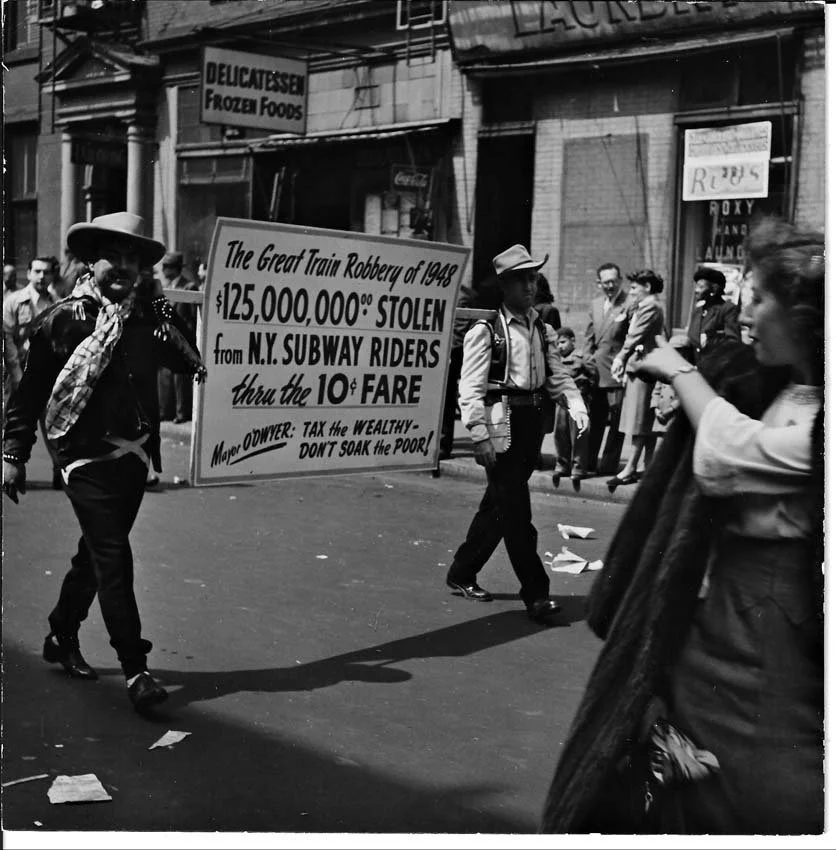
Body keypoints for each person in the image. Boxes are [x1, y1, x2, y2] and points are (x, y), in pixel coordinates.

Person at [541, 216, 824, 834]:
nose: (745, 308)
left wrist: (680, 372)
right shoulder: (772, 383)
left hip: (766, 638)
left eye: (759, 295)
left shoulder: (815, 419)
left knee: (752, 786)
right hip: (719, 621)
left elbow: (728, 452)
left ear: (803, 317)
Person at [2, 211, 207, 714]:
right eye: (111, 257)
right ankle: (136, 668)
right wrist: (13, 455)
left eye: (131, 259)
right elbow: (28, 396)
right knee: (114, 556)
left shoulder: (146, 316)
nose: (121, 266)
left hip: (134, 457)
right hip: (81, 456)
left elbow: (189, 361)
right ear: (89, 263)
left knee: (95, 555)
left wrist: (162, 309)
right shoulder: (63, 319)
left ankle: (60, 632)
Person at [446, 244, 589, 623]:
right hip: (499, 424)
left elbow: (556, 375)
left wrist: (573, 402)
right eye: (522, 279)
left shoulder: (541, 328)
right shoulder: (486, 331)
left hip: (530, 425)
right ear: (505, 286)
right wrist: (478, 434)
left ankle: (461, 572)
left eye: (533, 278)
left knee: (498, 505)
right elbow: (471, 388)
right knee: (516, 512)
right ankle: (536, 593)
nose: (530, 285)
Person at [3, 256, 63, 488]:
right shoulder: (14, 301)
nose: (41, 276)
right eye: (37, 271)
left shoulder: (58, 303)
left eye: (46, 272)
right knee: (13, 424)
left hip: (48, 377)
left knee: (53, 425)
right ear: (28, 274)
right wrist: (16, 372)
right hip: (17, 374)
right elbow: (7, 338)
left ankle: (60, 469)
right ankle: (13, 470)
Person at [608, 269, 667, 492]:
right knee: (644, 422)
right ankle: (646, 466)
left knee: (639, 422)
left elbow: (635, 335)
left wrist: (622, 356)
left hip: (643, 369)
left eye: (635, 288)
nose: (631, 292)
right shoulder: (645, 306)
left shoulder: (651, 306)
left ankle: (631, 467)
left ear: (647, 287)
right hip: (645, 368)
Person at [439, 274, 502, 460]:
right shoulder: (451, 293)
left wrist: (448, 354)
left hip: (451, 356)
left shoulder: (462, 296)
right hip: (441, 354)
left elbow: (458, 331)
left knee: (447, 401)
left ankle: (443, 444)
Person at [583, 262, 629, 477]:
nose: (610, 285)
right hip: (596, 371)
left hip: (618, 370)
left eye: (614, 281)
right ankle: (589, 461)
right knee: (595, 418)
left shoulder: (629, 303)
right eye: (606, 282)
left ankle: (609, 464)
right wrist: (586, 359)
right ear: (598, 283)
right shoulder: (595, 304)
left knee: (617, 418)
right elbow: (590, 336)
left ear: (620, 281)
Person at [552, 327, 596, 491]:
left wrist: (587, 395)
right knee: (560, 433)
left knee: (579, 434)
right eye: (557, 343)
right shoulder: (555, 359)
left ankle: (578, 467)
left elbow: (593, 376)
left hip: (579, 400)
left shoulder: (582, 358)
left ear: (572, 340)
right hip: (562, 401)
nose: (560, 347)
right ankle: (562, 464)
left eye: (563, 342)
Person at [157, 251, 199, 424]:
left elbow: (193, 317)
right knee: (165, 375)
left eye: (166, 266)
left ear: (175, 269)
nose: (163, 269)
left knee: (180, 378)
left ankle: (182, 412)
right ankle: (165, 411)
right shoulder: (165, 287)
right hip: (166, 337)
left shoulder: (188, 287)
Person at [685, 266, 740, 361]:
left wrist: (711, 342)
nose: (696, 290)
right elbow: (693, 339)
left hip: (716, 366)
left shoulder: (728, 309)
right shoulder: (698, 310)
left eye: (701, 287)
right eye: (696, 286)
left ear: (714, 289)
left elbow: (733, 342)